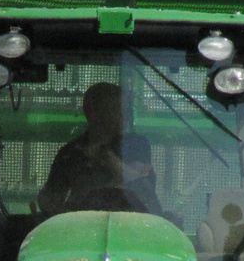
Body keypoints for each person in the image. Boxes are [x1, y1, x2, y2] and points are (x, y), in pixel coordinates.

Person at [36, 83, 161, 217]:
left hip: (132, 223)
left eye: (126, 109)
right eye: (116, 109)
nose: (125, 115)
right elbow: (51, 199)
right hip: (82, 225)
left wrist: (110, 159)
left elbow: (145, 189)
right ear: (94, 113)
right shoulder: (70, 153)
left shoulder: (136, 144)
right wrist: (51, 202)